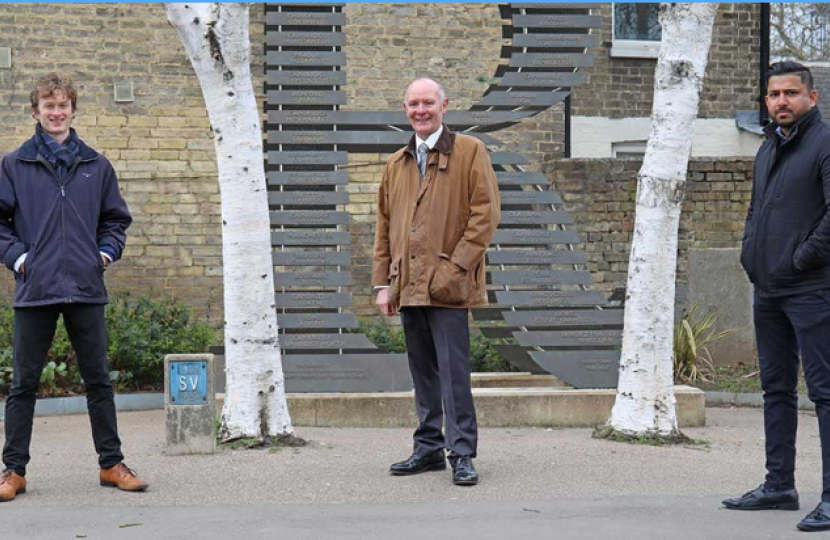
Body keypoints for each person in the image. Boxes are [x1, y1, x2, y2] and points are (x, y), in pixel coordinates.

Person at [0, 72, 148, 502]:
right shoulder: (14, 164)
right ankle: (14, 471)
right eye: (49, 106)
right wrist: (20, 259)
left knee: (98, 381)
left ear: (73, 110)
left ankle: (110, 464)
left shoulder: (96, 166)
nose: (57, 112)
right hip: (36, 287)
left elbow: (116, 221)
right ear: (36, 112)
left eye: (63, 105)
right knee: (24, 384)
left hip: (85, 286)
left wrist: (102, 254)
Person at [372, 77, 500, 486]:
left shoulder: (470, 152)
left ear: (445, 105)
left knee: (453, 372)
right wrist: (383, 283)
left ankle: (461, 453)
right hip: (407, 284)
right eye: (413, 104)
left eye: (428, 102)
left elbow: (485, 215)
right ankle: (428, 449)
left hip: (448, 286)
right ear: (405, 109)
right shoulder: (397, 163)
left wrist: (455, 267)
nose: (420, 110)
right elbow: (385, 227)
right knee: (423, 372)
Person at [724, 61, 830, 532]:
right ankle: (779, 485)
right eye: (773, 95)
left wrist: (798, 260)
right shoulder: (768, 148)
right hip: (767, 289)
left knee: (826, 394)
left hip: (813, 289)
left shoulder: (825, 144)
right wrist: (752, 255)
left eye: (790, 93)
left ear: (812, 97)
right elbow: (755, 211)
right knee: (777, 391)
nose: (781, 102)